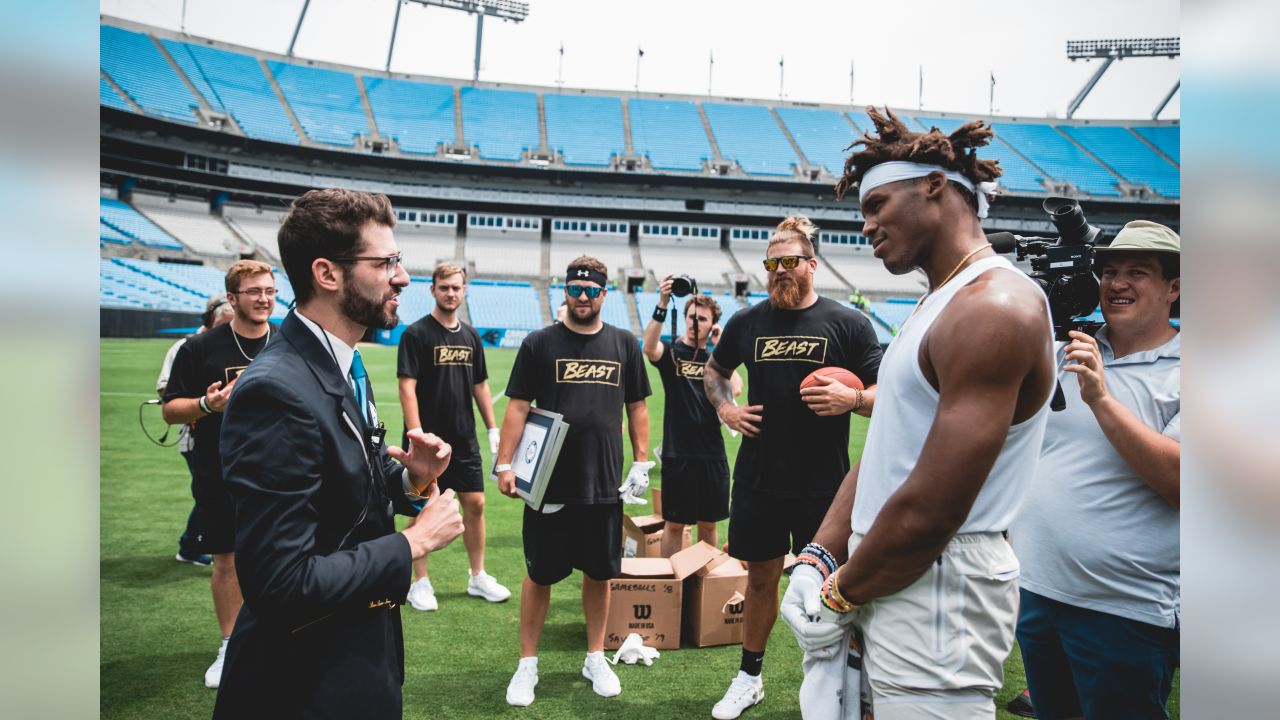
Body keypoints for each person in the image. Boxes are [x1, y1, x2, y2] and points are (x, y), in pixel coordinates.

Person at [780, 106, 1055, 720]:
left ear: (934, 186)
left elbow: (932, 510)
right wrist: (822, 554)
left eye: (877, 205)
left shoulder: (995, 306)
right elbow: (887, 451)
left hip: (937, 580)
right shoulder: (941, 300)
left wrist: (836, 593)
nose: (867, 228)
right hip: (889, 566)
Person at [213, 188, 465, 719]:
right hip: (302, 681)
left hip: (354, 652)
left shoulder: (342, 360)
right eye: (386, 262)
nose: (403, 277)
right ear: (327, 274)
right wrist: (412, 544)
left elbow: (342, 490)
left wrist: (409, 482)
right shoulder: (275, 390)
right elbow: (282, 582)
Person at [703, 216, 882, 720]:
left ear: (811, 265)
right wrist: (725, 409)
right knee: (759, 579)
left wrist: (855, 397)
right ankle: (749, 677)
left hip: (825, 484)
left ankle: (835, 686)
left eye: (789, 262)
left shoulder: (848, 323)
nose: (779, 271)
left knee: (832, 587)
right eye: (771, 263)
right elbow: (716, 372)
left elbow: (885, 393)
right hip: (759, 477)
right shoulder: (747, 322)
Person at [1009, 221, 1181, 720]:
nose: (1117, 283)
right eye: (1108, 271)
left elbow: (1183, 483)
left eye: (1137, 272)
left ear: (1175, 287)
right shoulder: (1065, 350)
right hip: (1038, 593)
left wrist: (1101, 399)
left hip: (1124, 608)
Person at [495, 256, 652, 707]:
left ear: (605, 294)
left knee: (600, 574)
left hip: (602, 483)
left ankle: (595, 656)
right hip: (548, 483)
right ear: (564, 291)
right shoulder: (539, 343)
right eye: (575, 289)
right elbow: (518, 407)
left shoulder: (624, 344)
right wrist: (505, 464)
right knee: (539, 575)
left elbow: (637, 407)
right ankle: (528, 664)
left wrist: (641, 462)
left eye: (591, 290)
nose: (583, 297)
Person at [162, 260, 276, 688]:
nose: (263, 299)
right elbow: (172, 409)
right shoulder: (200, 348)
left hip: (279, 473)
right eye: (253, 292)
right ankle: (230, 644)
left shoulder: (285, 343)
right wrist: (207, 406)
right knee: (226, 560)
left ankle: (272, 636)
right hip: (220, 470)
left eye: (269, 291)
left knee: (276, 557)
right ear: (232, 298)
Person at [397, 262, 510, 611]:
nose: (450, 293)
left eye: (456, 288)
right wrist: (416, 435)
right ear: (432, 289)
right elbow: (407, 385)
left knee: (475, 503)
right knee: (421, 507)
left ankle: (477, 576)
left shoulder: (471, 336)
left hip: (463, 440)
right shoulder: (416, 334)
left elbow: (480, 385)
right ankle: (420, 582)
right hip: (427, 442)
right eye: (444, 287)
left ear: (465, 291)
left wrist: (492, 428)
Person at [641, 276, 743, 557]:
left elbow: (736, 386)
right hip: (678, 453)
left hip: (712, 452)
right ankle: (672, 584)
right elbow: (649, 348)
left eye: (702, 318)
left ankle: (703, 582)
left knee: (708, 523)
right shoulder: (673, 353)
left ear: (713, 325)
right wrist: (662, 304)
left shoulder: (717, 358)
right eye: (690, 316)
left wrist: (721, 348)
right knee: (674, 524)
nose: (694, 322)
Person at [158, 295, 234, 567]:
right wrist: (205, 401)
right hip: (195, 437)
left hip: (233, 437)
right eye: (224, 323)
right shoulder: (186, 347)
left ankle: (191, 544)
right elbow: (167, 392)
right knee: (210, 494)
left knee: (219, 494)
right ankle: (192, 546)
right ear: (210, 320)